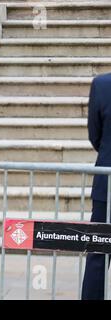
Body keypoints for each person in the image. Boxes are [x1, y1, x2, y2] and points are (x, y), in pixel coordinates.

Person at [82, 74, 111, 299]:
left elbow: (95, 136)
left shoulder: (101, 84)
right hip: (106, 183)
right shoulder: (101, 84)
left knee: (98, 253)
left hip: (106, 181)